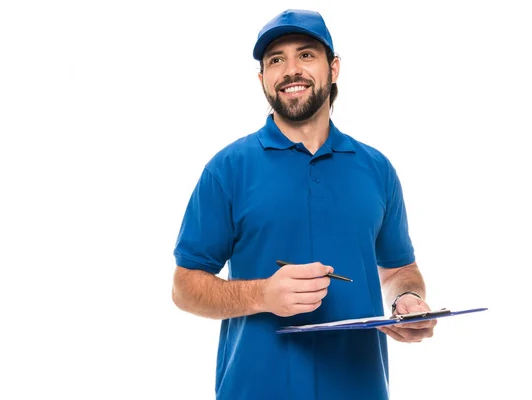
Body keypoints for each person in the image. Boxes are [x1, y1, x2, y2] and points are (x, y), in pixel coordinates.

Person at [171, 8, 436, 400]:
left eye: (306, 55)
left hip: (359, 390)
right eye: (276, 60)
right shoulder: (228, 169)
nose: (291, 70)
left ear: (334, 69)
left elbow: (399, 268)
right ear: (263, 78)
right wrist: (261, 295)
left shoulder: (377, 170)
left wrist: (406, 299)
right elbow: (184, 287)